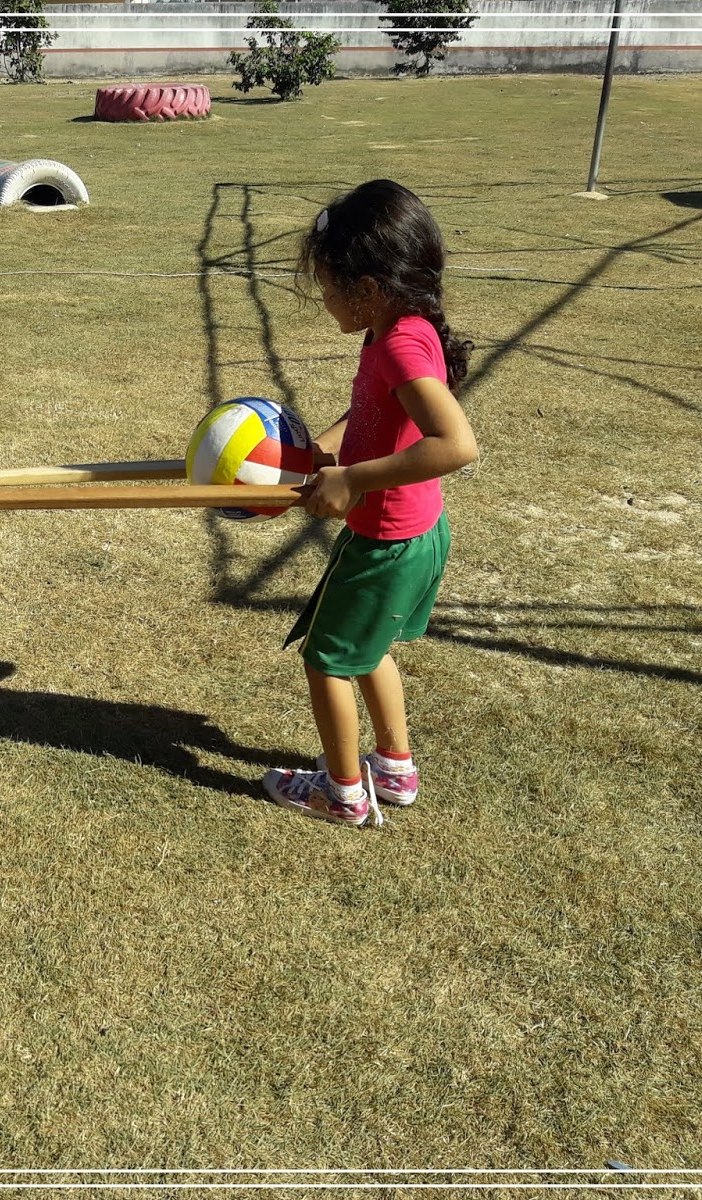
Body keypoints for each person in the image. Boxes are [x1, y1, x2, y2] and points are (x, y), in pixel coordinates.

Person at [263, 179, 478, 827]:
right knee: (370, 650)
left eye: (330, 288)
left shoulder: (399, 343)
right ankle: (395, 768)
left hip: (386, 543)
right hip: (415, 535)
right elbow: (374, 414)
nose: (325, 301)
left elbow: (454, 444)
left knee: (326, 659)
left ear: (370, 290)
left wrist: (354, 481)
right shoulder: (400, 327)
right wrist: (324, 449)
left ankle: (344, 793)